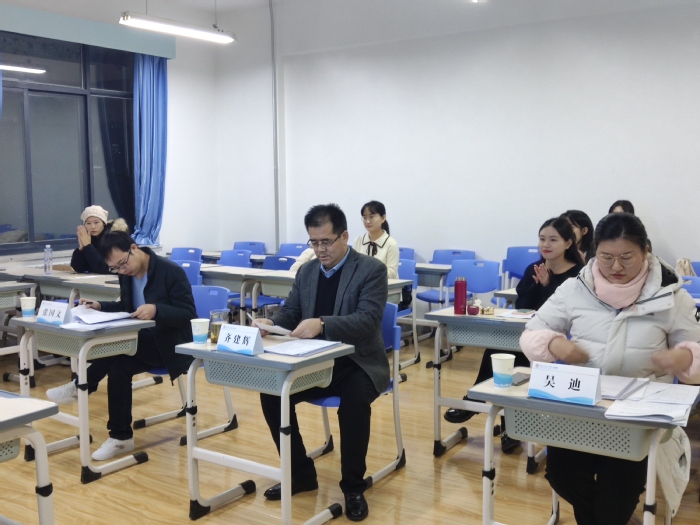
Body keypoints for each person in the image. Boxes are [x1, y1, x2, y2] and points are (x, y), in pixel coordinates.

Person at [520, 212, 700, 525]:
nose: (616, 267)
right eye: (606, 257)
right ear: (594, 252)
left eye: (626, 257)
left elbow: (696, 351)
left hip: (637, 418)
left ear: (645, 251)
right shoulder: (576, 288)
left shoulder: (673, 297)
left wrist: (685, 359)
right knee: (562, 476)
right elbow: (531, 333)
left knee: (617, 494)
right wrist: (555, 344)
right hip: (581, 408)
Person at [256, 203, 389, 522]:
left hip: (357, 362)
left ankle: (353, 487)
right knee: (272, 393)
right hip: (315, 362)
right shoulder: (307, 271)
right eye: (314, 242)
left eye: (326, 242)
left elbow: (368, 320)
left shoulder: (371, 270)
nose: (320, 250)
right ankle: (301, 474)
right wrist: (270, 323)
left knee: (354, 403)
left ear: (344, 236)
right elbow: (291, 312)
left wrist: (323, 324)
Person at [46, 231, 196, 461]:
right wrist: (100, 306)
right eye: (115, 268)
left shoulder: (170, 272)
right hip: (140, 341)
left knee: (116, 349)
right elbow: (127, 307)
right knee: (118, 366)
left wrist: (157, 310)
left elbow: (188, 315)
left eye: (123, 264)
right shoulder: (126, 274)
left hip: (170, 345)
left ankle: (80, 385)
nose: (122, 270)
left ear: (134, 248)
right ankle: (121, 437)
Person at [444, 218, 584, 452]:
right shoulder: (534, 269)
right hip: (528, 333)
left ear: (568, 243)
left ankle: (501, 416)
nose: (545, 244)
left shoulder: (578, 274)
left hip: (559, 339)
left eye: (553, 239)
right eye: (542, 239)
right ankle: (506, 421)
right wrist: (537, 285)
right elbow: (522, 305)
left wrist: (549, 286)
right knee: (501, 347)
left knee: (515, 357)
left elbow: (568, 311)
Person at [70, 205, 127, 274]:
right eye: (88, 223)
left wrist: (88, 246)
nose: (92, 227)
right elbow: (78, 268)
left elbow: (105, 268)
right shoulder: (88, 239)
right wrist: (81, 249)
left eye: (96, 222)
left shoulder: (114, 238)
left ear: (103, 223)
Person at [352, 200, 399, 279]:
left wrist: (369, 273)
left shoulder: (391, 243)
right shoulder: (358, 241)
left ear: (383, 218)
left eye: (371, 217)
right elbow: (352, 267)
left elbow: (391, 274)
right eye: (364, 217)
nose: (367, 221)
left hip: (384, 285)